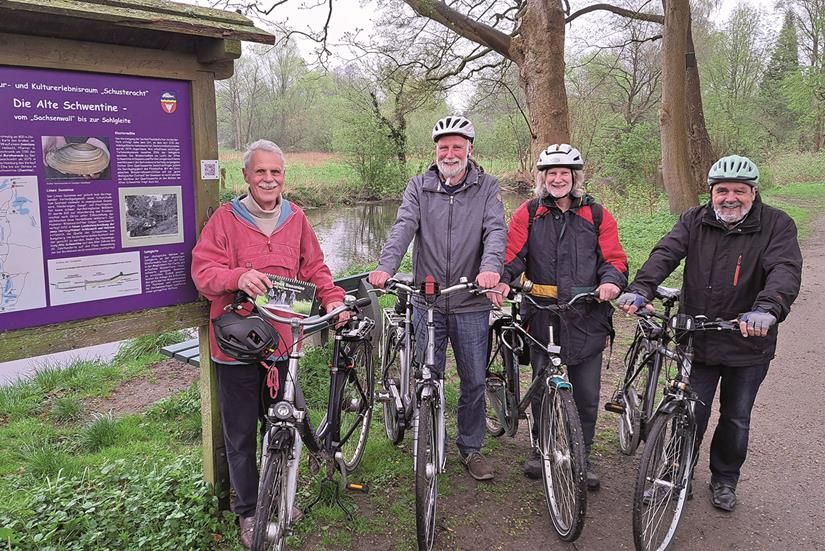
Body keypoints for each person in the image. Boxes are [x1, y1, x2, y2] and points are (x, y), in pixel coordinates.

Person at [618, 154, 802, 512]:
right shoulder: (695, 219)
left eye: (738, 191)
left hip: (747, 341)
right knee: (689, 411)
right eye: (721, 191)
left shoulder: (777, 225)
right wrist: (642, 288)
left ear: (753, 192)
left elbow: (784, 270)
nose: (729, 198)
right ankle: (676, 473)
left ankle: (724, 479)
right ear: (711, 193)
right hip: (698, 338)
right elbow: (667, 252)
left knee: (736, 416)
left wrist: (766, 309)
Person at [191, 139, 346, 549]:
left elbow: (314, 267)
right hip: (237, 348)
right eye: (260, 171)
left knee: (284, 425)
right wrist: (237, 276)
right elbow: (203, 271)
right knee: (241, 436)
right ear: (245, 176)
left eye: (275, 172)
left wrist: (332, 298)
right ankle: (248, 510)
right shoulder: (224, 220)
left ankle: (280, 495)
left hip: (284, 346)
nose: (268, 179)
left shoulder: (297, 219)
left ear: (284, 177)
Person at [368, 115, 507, 481]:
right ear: (435, 151)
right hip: (427, 300)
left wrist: (490, 268)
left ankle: (470, 447)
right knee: (427, 374)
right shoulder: (419, 186)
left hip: (469, 300)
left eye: (457, 146)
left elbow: (495, 230)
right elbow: (403, 227)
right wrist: (386, 266)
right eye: (443, 147)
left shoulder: (487, 187)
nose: (450, 153)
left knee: (474, 379)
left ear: (469, 150)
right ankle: (427, 435)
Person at [495, 144, 628, 490]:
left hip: (587, 316)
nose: (557, 179)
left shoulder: (597, 215)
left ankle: (581, 456)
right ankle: (541, 450)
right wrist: (505, 281)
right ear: (542, 179)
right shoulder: (527, 213)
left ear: (575, 178)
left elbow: (614, 258)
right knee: (541, 385)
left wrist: (612, 283)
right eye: (551, 174)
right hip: (542, 315)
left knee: (585, 393)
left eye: (564, 174)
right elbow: (511, 254)